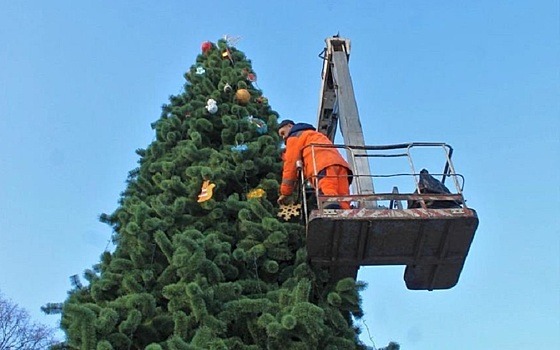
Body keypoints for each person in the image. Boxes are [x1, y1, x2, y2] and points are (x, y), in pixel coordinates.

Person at [277, 119, 352, 209]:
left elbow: (290, 165)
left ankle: (330, 208)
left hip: (322, 165)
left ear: (290, 126)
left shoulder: (294, 137)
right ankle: (345, 211)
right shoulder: (314, 134)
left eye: (283, 133)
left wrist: (285, 192)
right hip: (341, 165)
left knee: (327, 190)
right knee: (343, 195)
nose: (283, 137)